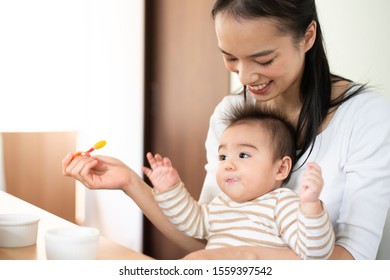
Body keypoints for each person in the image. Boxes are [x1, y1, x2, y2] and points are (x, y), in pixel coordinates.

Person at [62, 0, 390, 259]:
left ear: (307, 36)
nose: (245, 77)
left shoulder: (365, 117)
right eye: (230, 58)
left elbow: (353, 259)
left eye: (263, 60)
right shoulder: (229, 115)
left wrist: (243, 256)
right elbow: (205, 233)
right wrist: (130, 183)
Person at [142, 104, 335, 259]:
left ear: (281, 168)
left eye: (243, 154)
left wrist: (311, 206)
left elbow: (314, 253)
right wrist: (170, 189)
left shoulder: (281, 203)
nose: (228, 165)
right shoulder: (221, 203)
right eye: (223, 157)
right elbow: (193, 223)